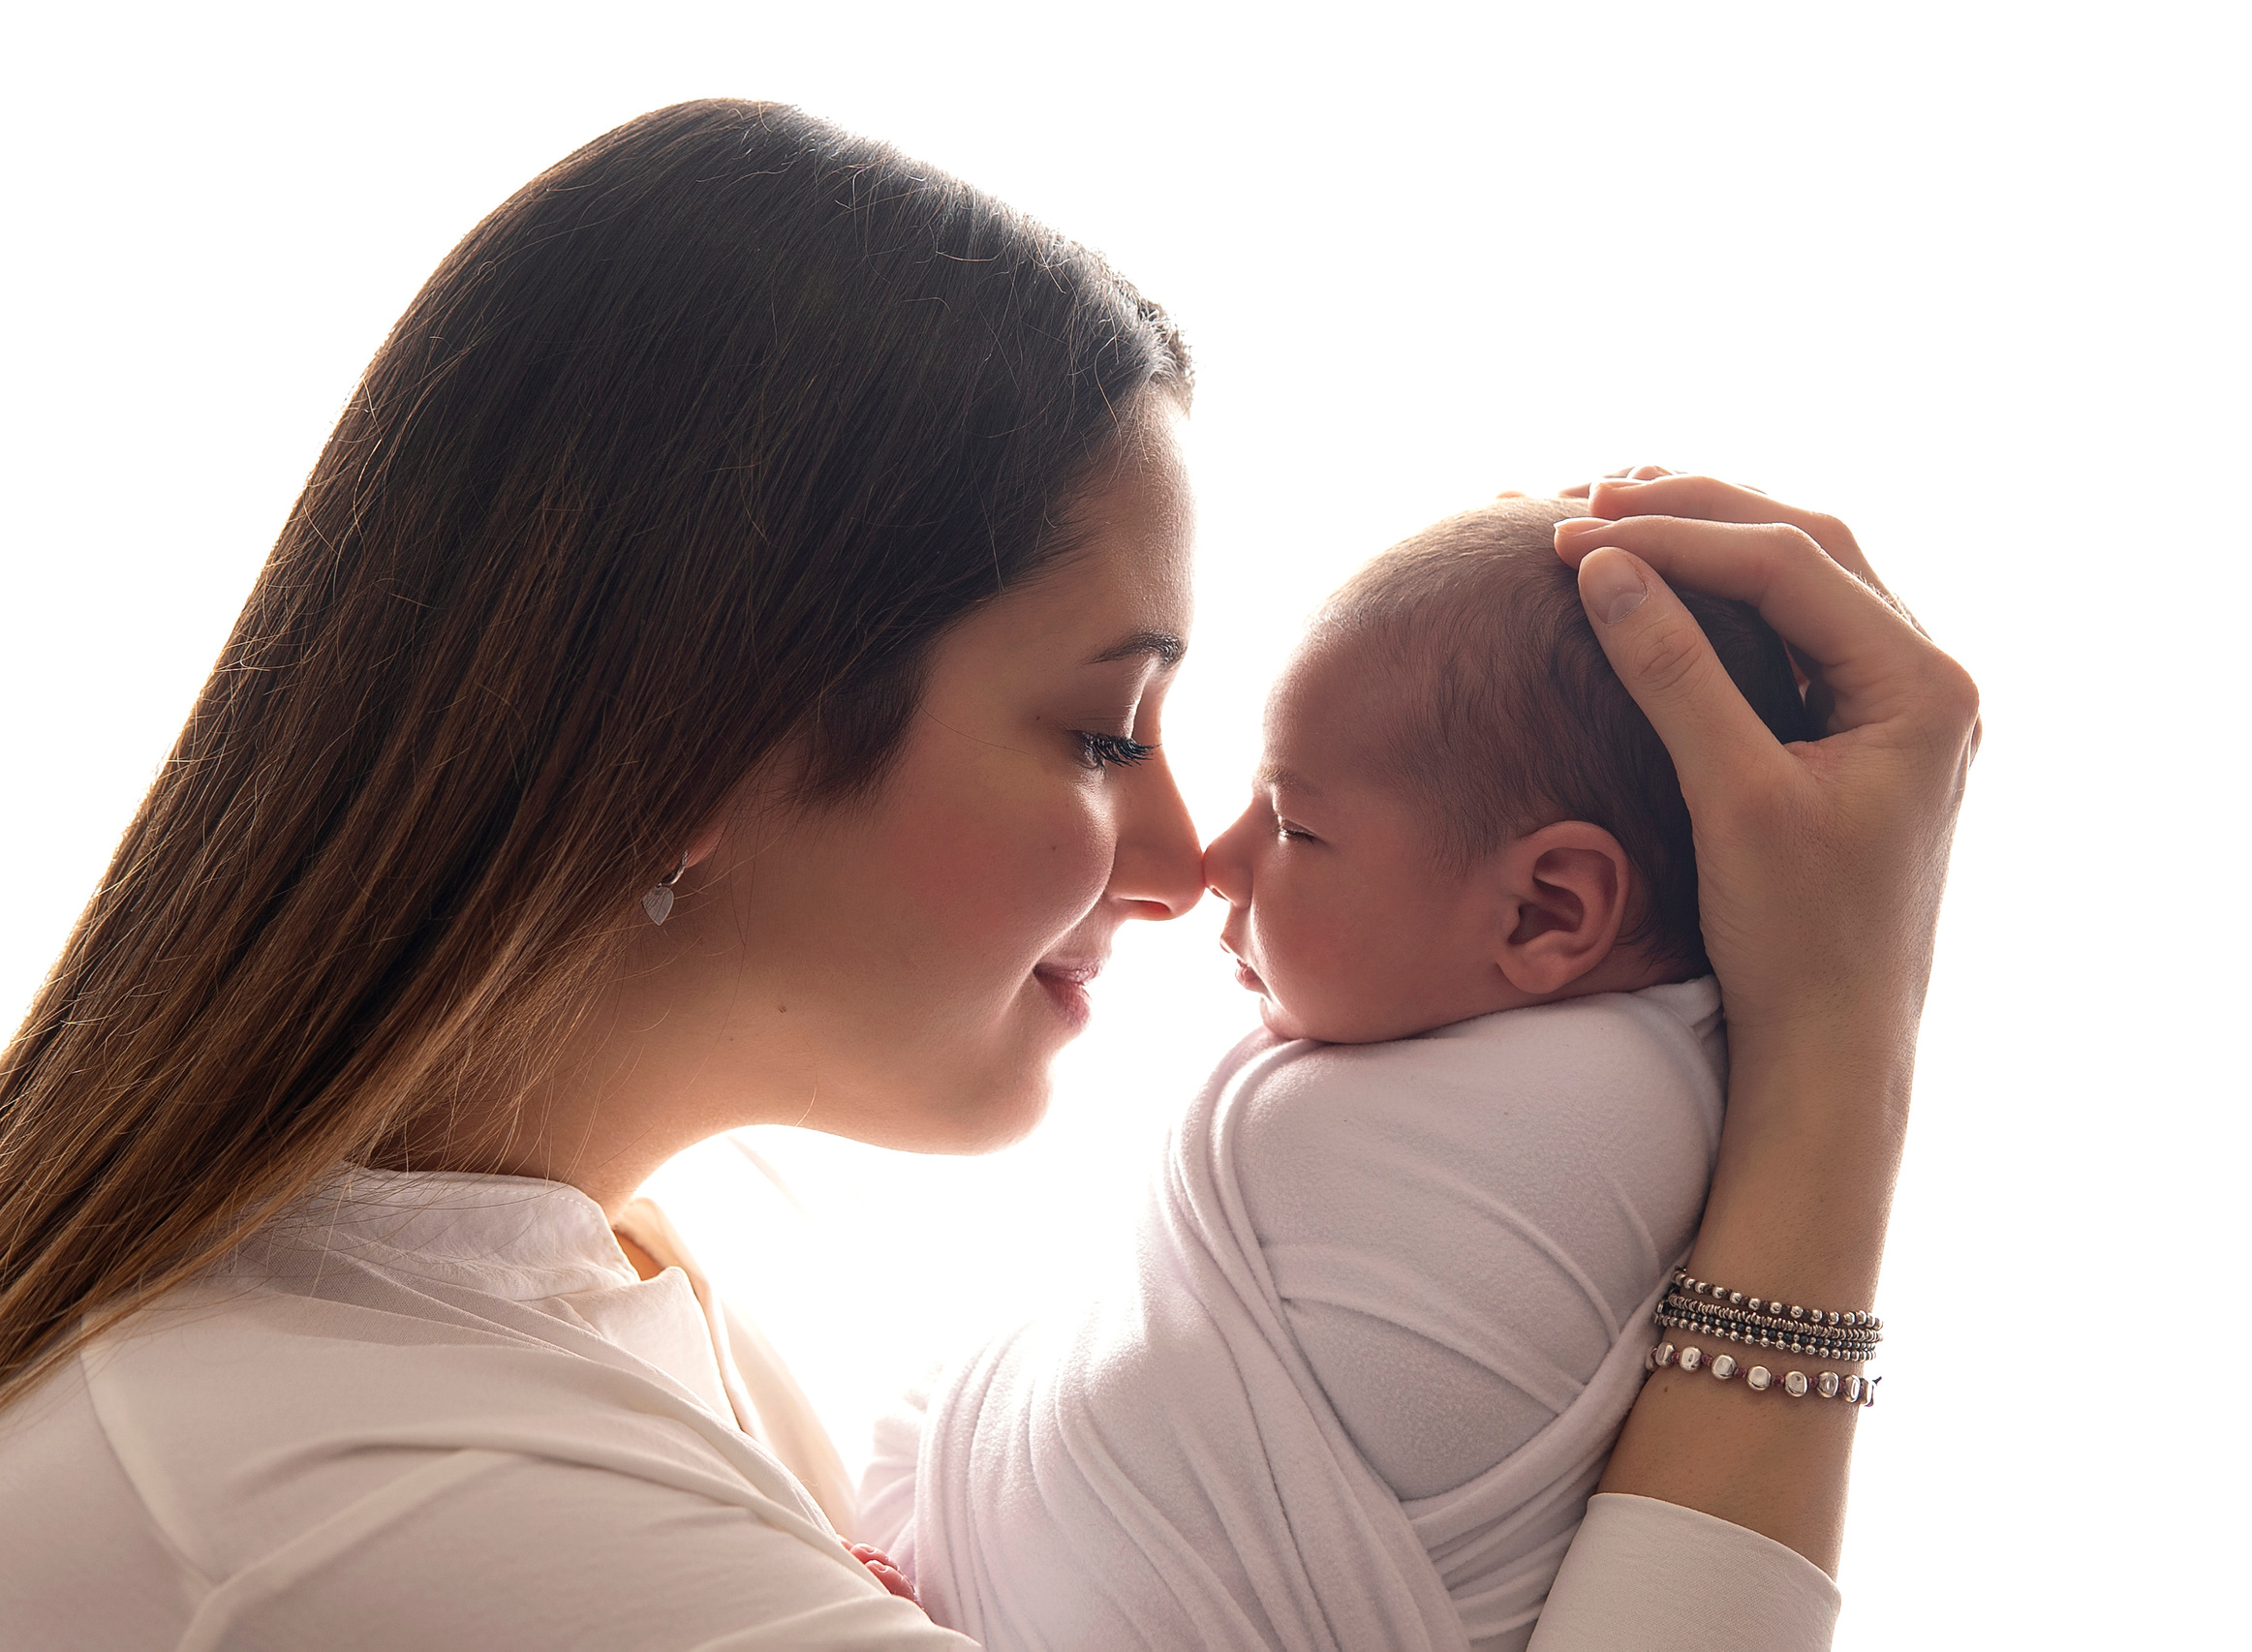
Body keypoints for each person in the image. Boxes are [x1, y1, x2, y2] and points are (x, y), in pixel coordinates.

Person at [0, 98, 1979, 1650]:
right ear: (693, 731)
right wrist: (1830, 1067)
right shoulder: (363, 1508)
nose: (1189, 852)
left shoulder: (604, 1276)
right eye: (1103, 730)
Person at [857, 496, 1822, 1652]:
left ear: (1548, 906)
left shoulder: (1592, 1128)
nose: (1215, 859)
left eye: (1293, 825)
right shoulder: (1523, 1086)